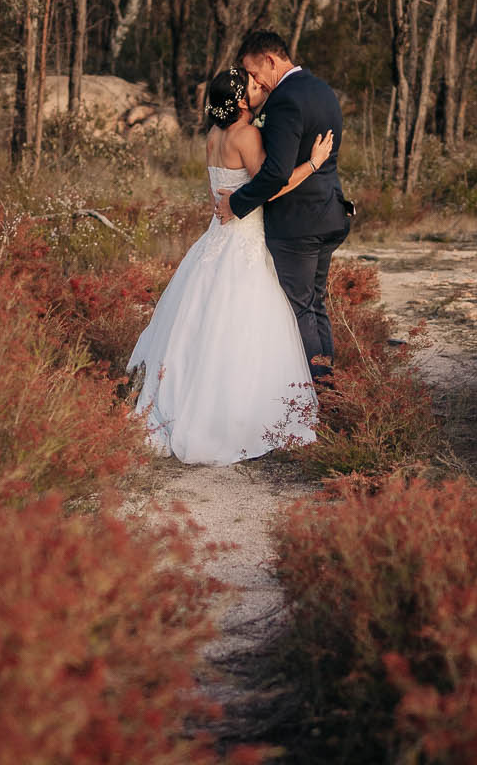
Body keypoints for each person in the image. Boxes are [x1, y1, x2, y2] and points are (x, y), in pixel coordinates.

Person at [126, 65, 333, 465]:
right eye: (254, 87)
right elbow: (268, 188)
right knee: (245, 326)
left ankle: (184, 405)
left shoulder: (213, 135)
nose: (259, 89)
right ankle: (237, 416)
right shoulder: (246, 134)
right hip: (243, 239)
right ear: (240, 101)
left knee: (200, 326)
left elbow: (216, 197)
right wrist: (313, 163)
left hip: (214, 239)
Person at [213, 29, 352, 385]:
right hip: (330, 213)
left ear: (271, 60)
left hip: (298, 224)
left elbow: (275, 174)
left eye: (254, 71)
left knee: (301, 308)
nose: (254, 81)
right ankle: (328, 388)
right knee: (316, 304)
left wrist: (236, 204)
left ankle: (318, 393)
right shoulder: (322, 89)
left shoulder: (285, 100)